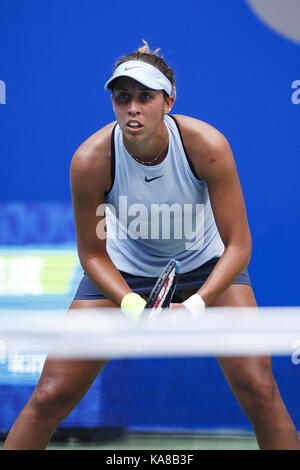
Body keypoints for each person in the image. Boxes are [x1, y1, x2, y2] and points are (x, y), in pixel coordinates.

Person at [3, 41, 300, 450]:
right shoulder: (90, 160)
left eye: (146, 97)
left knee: (259, 389)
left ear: (168, 101)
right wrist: (128, 303)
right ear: (112, 102)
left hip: (207, 267)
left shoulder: (206, 147)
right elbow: (91, 254)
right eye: (122, 97)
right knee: (51, 393)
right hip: (123, 273)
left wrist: (196, 305)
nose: (133, 108)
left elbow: (238, 245)